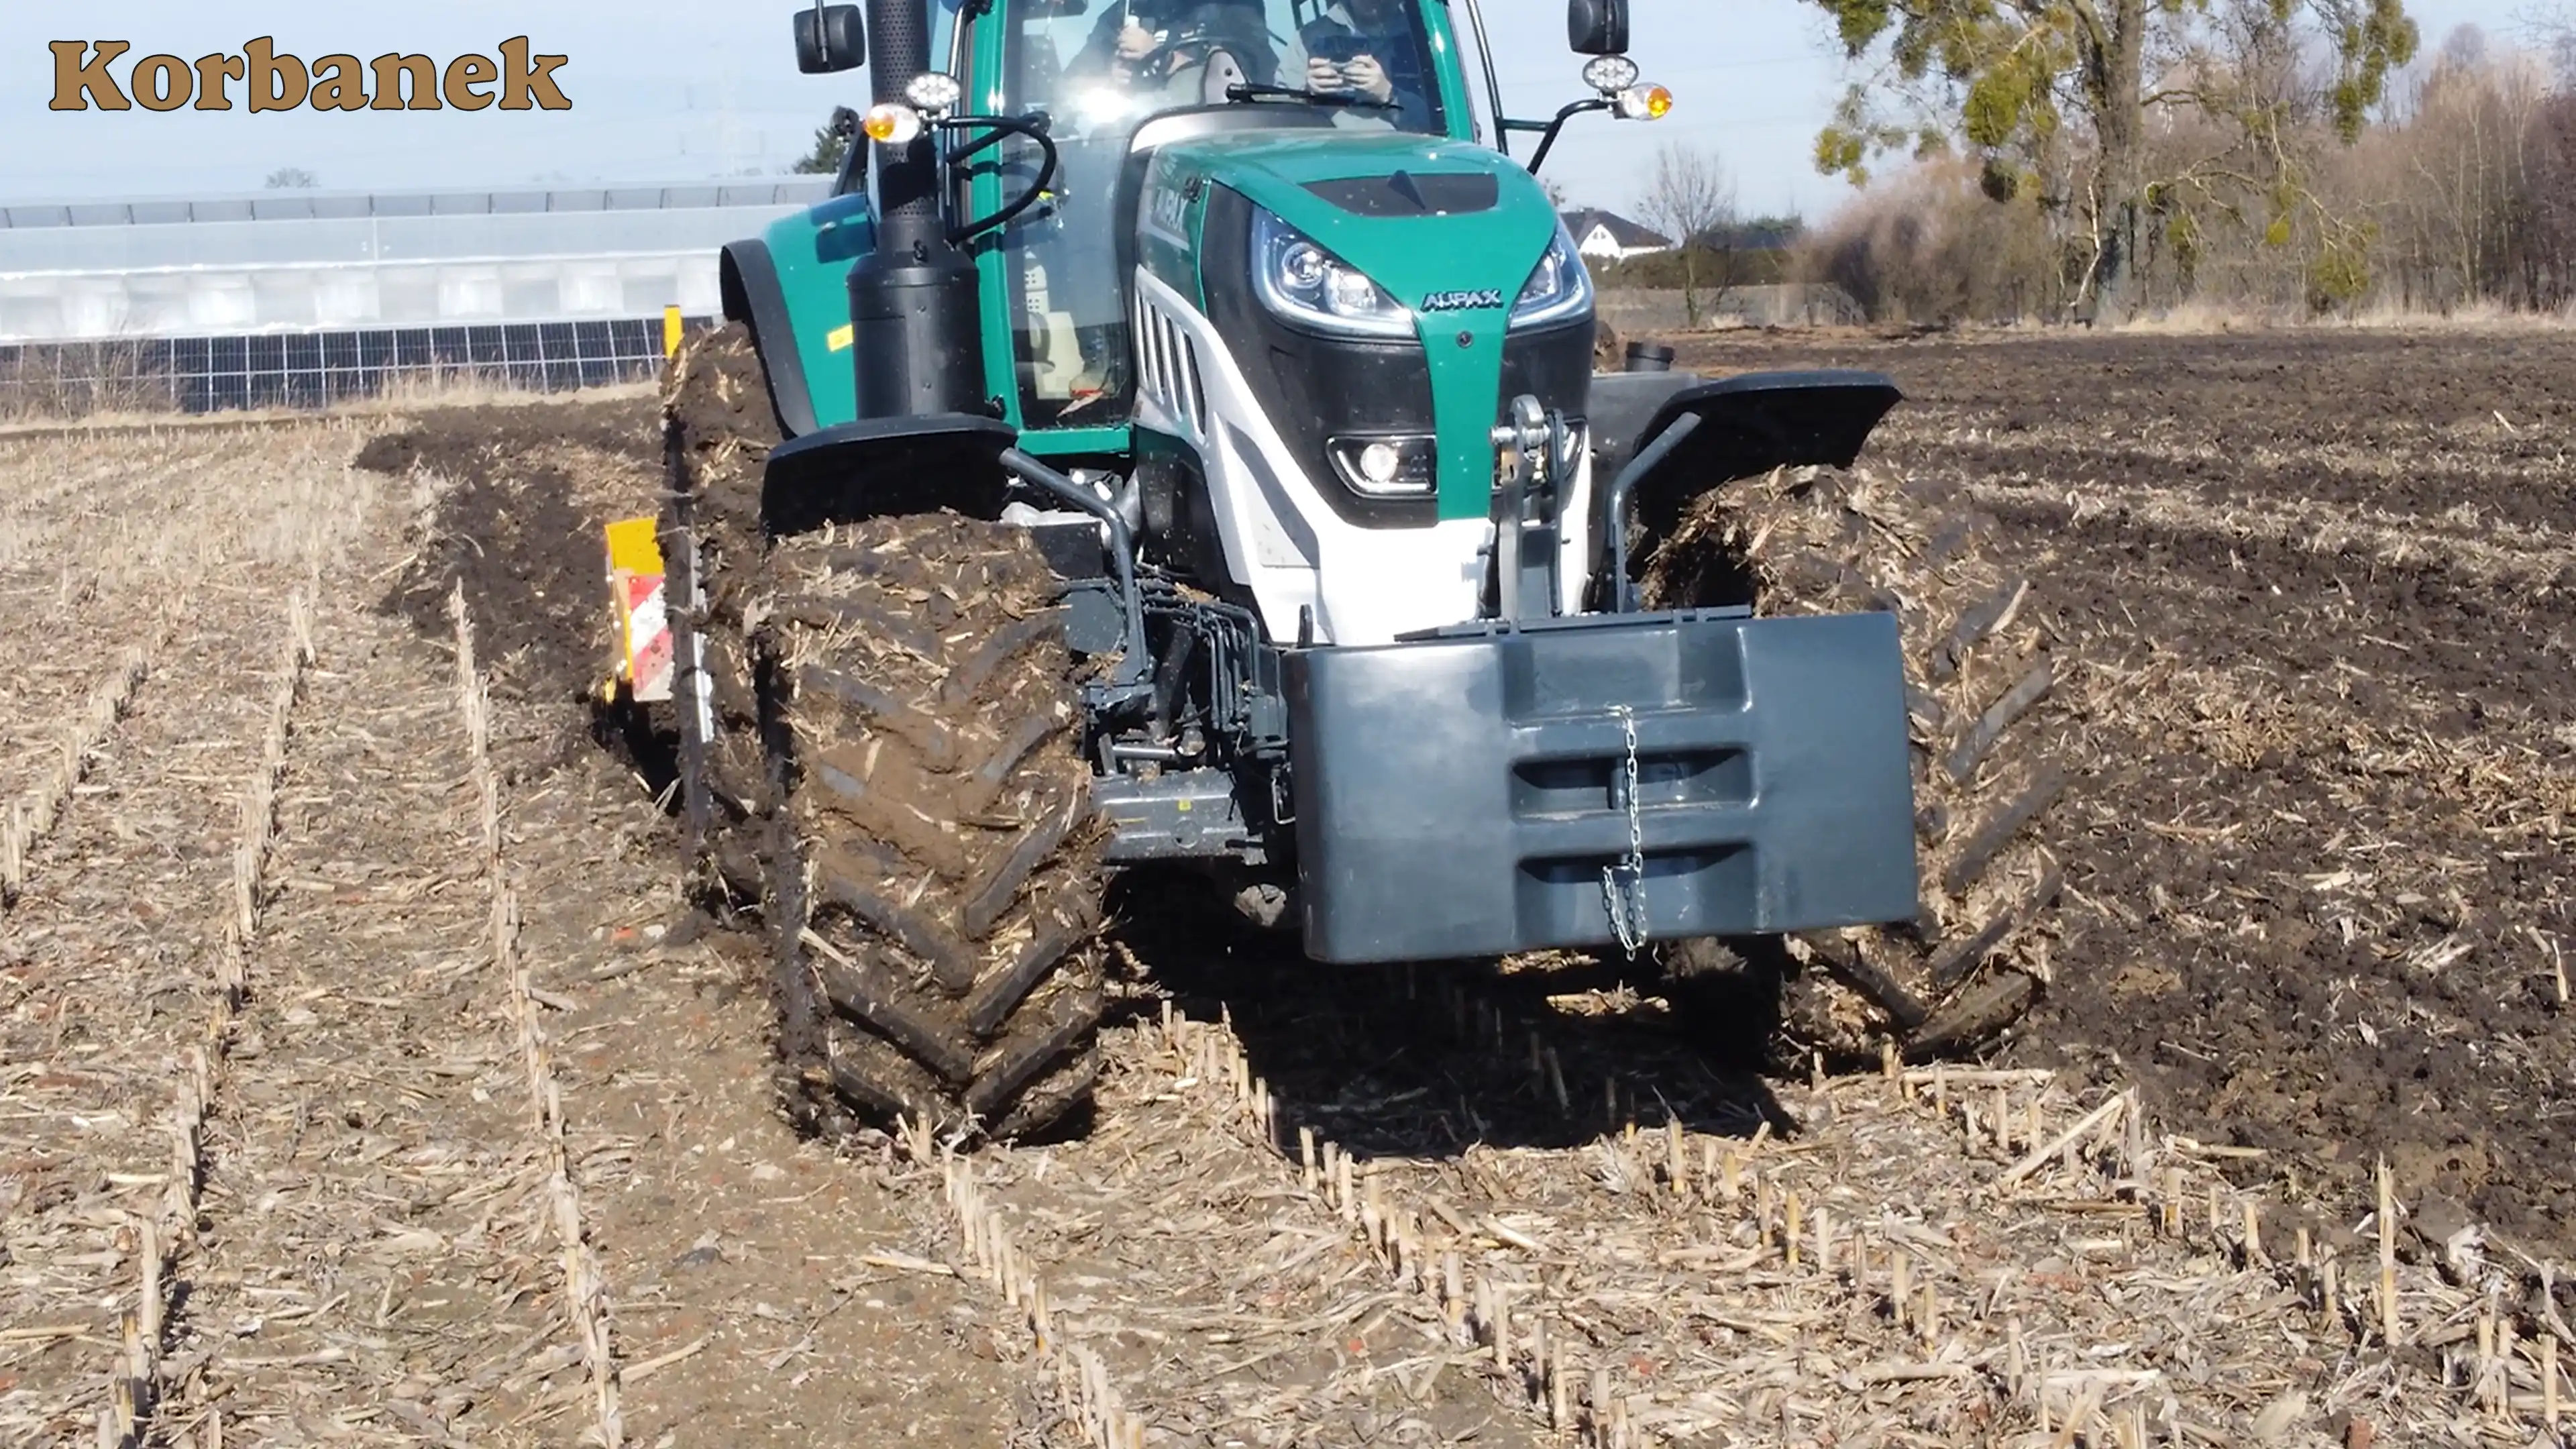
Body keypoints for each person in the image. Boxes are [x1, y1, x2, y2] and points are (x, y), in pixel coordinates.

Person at [1297, 0, 1434, 130]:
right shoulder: (1309, 39)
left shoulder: (1430, 38)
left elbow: (1438, 122)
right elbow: (1287, 115)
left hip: (1407, 145)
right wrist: (1309, 93)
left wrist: (1388, 93)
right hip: (1329, 145)